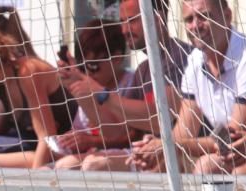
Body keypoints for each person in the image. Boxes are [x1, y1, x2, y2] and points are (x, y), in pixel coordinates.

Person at [64, 0, 191, 173]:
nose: (124, 30)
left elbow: (161, 118)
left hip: (182, 157)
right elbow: (116, 133)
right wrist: (80, 88)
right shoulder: (143, 70)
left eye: (132, 21)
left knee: (93, 165)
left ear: (158, 18)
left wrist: (102, 93)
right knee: (68, 165)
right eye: (122, 21)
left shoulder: (179, 56)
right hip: (150, 156)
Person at [141, 0, 246, 175]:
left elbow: (235, 140)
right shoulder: (195, 60)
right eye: (189, 19)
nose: (196, 26)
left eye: (204, 16)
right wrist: (153, 147)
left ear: (227, 16)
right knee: (156, 166)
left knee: (208, 166)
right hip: (232, 152)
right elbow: (183, 133)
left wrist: (171, 146)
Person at [0, 28, 78, 169]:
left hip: (61, 146)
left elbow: (47, 136)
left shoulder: (28, 71)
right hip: (32, 144)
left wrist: (35, 181)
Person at [49, 20, 139, 170]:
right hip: (92, 154)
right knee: (45, 165)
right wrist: (68, 141)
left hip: (124, 155)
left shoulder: (133, 83)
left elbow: (133, 136)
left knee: (67, 166)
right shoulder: (86, 84)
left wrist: (92, 141)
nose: (88, 72)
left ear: (116, 58)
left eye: (93, 65)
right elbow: (79, 130)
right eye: (83, 66)